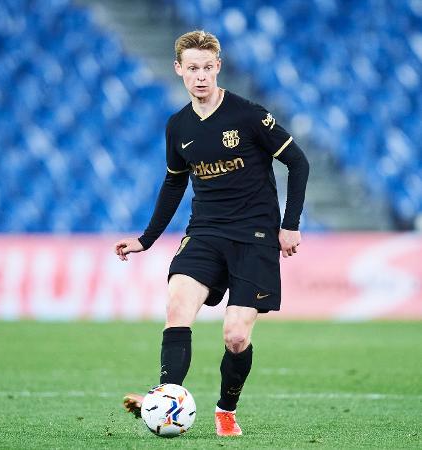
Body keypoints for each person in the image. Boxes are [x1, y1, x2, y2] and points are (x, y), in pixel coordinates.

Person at [115, 30, 309, 437]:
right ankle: (167, 397)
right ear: (179, 70)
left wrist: (289, 224)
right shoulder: (178, 126)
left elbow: (299, 163)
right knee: (176, 309)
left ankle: (226, 410)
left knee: (236, 337)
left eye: (207, 68)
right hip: (204, 231)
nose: (200, 76)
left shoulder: (249, 115)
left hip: (254, 235)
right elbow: (173, 184)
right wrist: (145, 240)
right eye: (192, 69)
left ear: (218, 67)